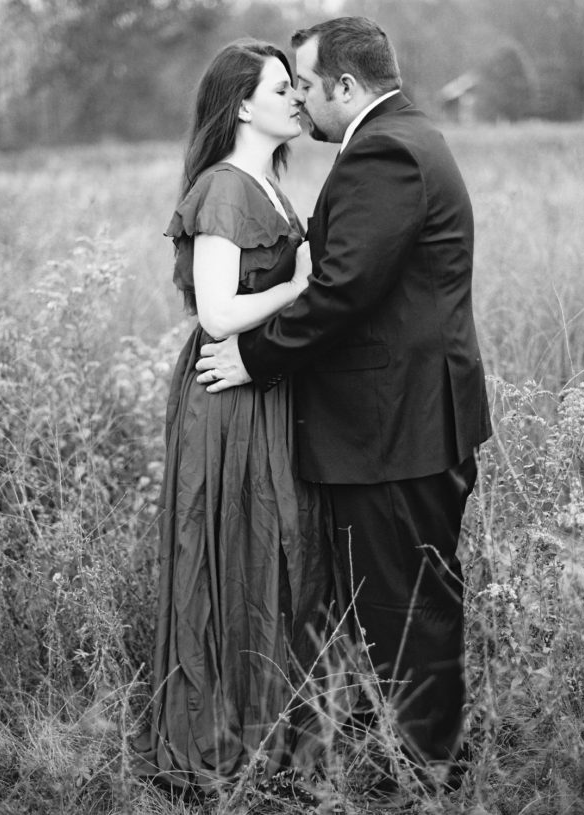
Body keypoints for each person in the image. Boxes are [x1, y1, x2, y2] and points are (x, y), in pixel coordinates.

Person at [195, 16, 492, 778]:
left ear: (347, 86)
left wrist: (252, 358)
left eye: (307, 84)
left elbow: (341, 291)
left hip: (396, 427)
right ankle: (421, 755)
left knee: (404, 604)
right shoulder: (406, 137)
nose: (301, 98)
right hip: (409, 420)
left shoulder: (385, 151)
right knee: (410, 597)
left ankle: (425, 771)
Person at [132, 40, 341, 791]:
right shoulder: (225, 187)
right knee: (233, 547)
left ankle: (271, 737)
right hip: (229, 393)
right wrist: (302, 288)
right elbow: (218, 313)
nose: (298, 98)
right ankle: (218, 741)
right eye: (282, 88)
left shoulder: (269, 183)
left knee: (273, 549)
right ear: (243, 106)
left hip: (264, 386)